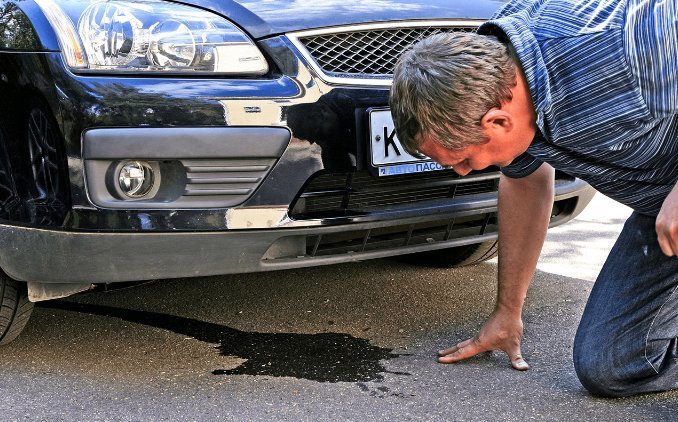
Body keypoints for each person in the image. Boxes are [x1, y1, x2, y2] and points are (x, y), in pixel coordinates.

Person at [389, 0, 677, 397]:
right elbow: (525, 181)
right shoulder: (497, 77)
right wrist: (508, 311)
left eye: (465, 160)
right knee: (610, 365)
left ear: (499, 122)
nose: (463, 172)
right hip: (660, 209)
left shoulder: (625, 47)